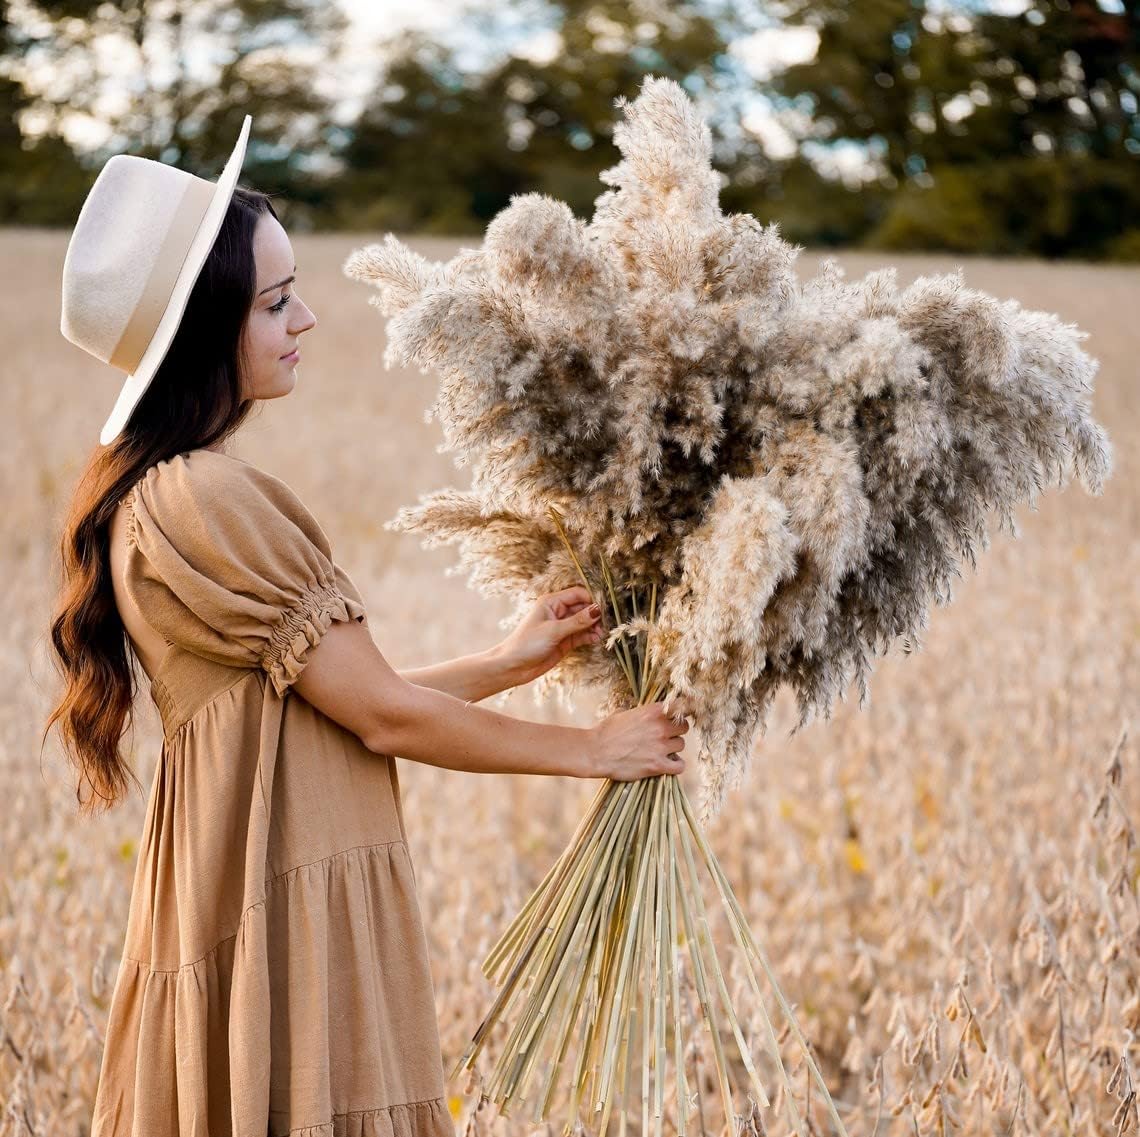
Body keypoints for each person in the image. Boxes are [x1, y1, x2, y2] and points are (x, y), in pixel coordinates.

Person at [43, 116, 691, 1136]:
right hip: (280, 896)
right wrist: (592, 750)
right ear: (206, 328)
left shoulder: (158, 494)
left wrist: (508, 660)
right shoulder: (209, 496)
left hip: (244, 884)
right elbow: (383, 717)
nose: (304, 318)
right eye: (274, 301)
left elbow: (319, 712)